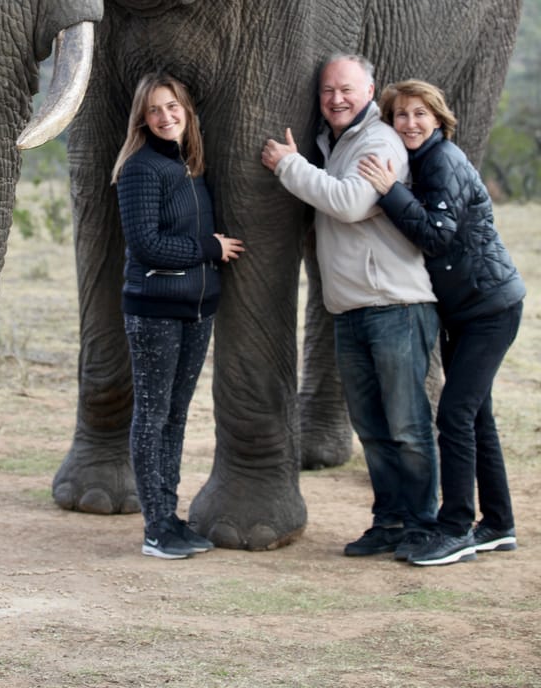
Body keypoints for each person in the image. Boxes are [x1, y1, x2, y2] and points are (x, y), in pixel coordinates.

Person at [261, 53, 439, 560]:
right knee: (374, 429)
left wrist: (289, 166)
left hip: (396, 308)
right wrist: (307, 163)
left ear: (369, 91)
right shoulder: (336, 144)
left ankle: (424, 528)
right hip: (352, 310)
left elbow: (352, 203)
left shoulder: (380, 139)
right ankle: (389, 522)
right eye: (327, 91)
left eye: (347, 90)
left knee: (407, 427)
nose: (336, 99)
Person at [358, 79, 525, 567]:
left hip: (489, 308)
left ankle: (455, 528)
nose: (410, 123)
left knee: (454, 414)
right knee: (477, 418)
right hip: (466, 311)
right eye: (400, 115)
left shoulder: (443, 160)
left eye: (419, 114)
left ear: (438, 119)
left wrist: (389, 192)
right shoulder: (420, 163)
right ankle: (498, 524)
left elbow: (436, 234)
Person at [113, 72, 244, 559]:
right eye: (155, 110)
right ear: (142, 120)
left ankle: (170, 516)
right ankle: (156, 528)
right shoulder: (140, 169)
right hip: (155, 310)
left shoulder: (190, 166)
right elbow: (145, 245)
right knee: (152, 414)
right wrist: (208, 248)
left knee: (175, 416)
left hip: (197, 308)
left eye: (173, 107)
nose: (166, 117)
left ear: (186, 111)